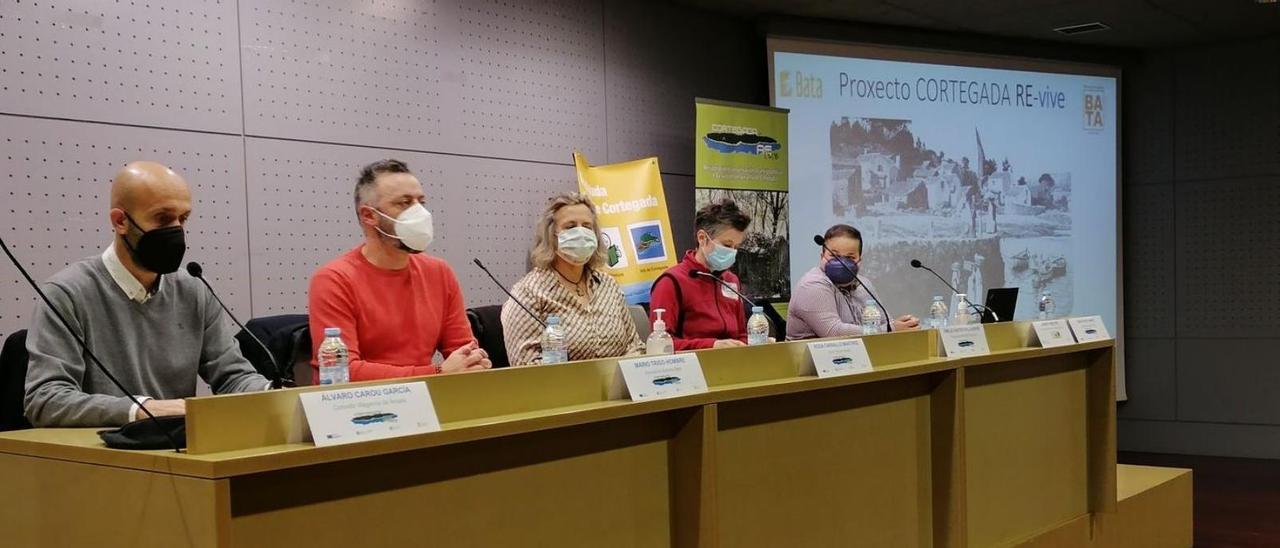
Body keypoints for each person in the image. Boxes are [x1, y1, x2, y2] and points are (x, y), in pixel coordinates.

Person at [24, 161, 271, 427]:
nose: (176, 230)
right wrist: (144, 410)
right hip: (100, 458)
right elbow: (46, 400)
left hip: (180, 454)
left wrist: (276, 396)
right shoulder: (67, 293)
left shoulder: (194, 288)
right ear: (120, 221)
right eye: (163, 218)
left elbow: (233, 376)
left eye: (183, 218)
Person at [308, 159, 490, 382]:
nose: (420, 212)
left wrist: (473, 363)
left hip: (430, 400)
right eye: (405, 203)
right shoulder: (334, 279)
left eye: (421, 202)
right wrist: (436, 373)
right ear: (369, 216)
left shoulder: (439, 272)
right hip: (363, 408)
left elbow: (463, 351)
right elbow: (344, 372)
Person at [500, 192, 643, 365]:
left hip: (616, 388)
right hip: (560, 389)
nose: (581, 233)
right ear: (552, 235)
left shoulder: (608, 285)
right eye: (570, 226)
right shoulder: (528, 292)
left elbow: (634, 346)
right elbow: (525, 366)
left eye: (587, 226)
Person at [648, 200, 751, 350]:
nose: (732, 252)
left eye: (736, 247)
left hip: (733, 365)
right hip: (691, 367)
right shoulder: (671, 282)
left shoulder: (731, 280)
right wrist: (711, 346)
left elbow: (742, 334)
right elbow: (662, 345)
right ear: (702, 238)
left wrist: (755, 344)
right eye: (727, 245)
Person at [786, 224, 920, 340]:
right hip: (809, 364)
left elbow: (885, 322)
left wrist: (904, 326)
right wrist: (891, 329)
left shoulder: (863, 284)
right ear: (822, 257)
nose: (841, 263)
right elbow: (833, 332)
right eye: (834, 256)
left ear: (859, 261)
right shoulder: (812, 285)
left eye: (850, 257)